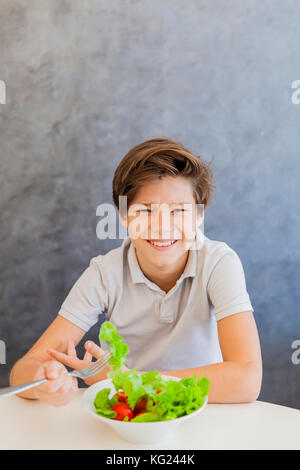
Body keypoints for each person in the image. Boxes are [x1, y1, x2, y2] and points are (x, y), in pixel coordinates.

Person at [9, 136, 262, 407]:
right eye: (145, 210)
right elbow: (24, 370)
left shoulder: (218, 263)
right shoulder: (105, 273)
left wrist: (130, 381)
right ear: (123, 215)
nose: (162, 226)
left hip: (203, 412)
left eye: (179, 211)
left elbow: (246, 379)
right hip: (129, 417)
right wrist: (44, 380)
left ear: (199, 216)